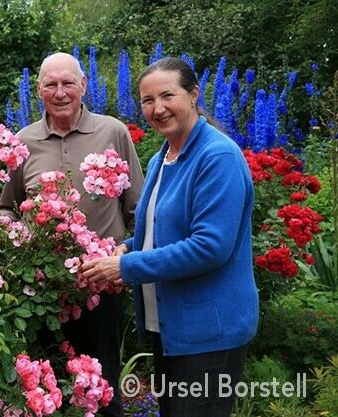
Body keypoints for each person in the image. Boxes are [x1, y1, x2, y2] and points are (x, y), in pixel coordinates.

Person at [80, 57, 259, 417]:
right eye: (147, 101)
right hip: (172, 329)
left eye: (167, 96)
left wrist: (126, 266)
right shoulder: (164, 156)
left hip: (208, 332)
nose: (157, 108)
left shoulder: (217, 156)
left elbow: (210, 247)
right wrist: (127, 247)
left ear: (193, 95)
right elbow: (162, 230)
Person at [0, 52, 144, 417]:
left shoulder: (113, 132)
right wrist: (19, 237)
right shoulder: (23, 140)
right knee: (47, 386)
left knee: (104, 385)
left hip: (102, 284)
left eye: (68, 83)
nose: (60, 92)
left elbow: (138, 212)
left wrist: (126, 258)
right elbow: (5, 208)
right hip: (44, 289)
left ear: (83, 85)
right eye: (51, 84)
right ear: (39, 90)